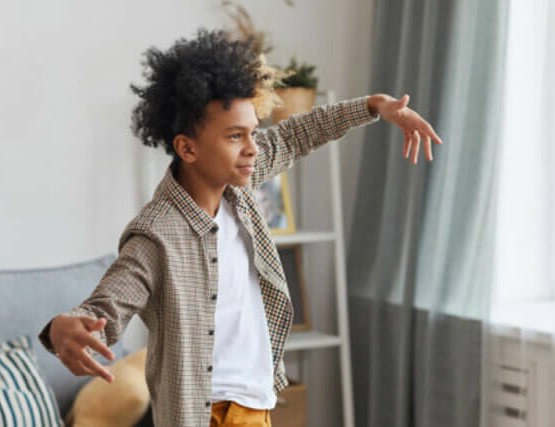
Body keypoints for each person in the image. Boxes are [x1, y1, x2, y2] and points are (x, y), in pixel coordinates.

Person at [37, 27, 441, 427]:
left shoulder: (238, 187)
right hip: (205, 413)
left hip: (256, 405)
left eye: (252, 132)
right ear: (187, 148)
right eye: (235, 136)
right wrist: (63, 328)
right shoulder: (155, 235)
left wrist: (373, 106)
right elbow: (108, 304)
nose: (252, 147)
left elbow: (297, 134)